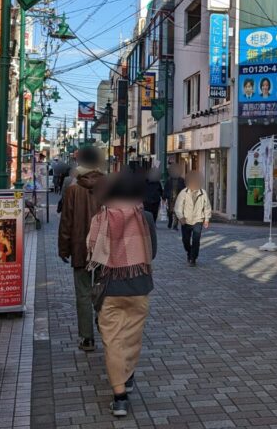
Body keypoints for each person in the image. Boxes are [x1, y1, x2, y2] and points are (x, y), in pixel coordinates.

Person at [86, 172, 157, 418]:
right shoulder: (145, 216)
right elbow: (153, 252)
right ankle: (127, 377)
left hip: (109, 289)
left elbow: (93, 251)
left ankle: (119, 398)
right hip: (139, 287)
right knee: (131, 338)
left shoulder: (101, 218)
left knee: (113, 341)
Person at [57, 147, 106, 352]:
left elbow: (66, 221)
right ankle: (104, 323)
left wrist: (63, 248)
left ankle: (86, 338)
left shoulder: (73, 189)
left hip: (80, 248)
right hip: (106, 248)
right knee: (105, 290)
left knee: (83, 293)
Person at [174, 171, 211, 267]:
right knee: (185, 240)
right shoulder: (184, 193)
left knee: (196, 240)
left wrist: (206, 219)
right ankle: (189, 252)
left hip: (198, 220)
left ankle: (193, 258)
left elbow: (207, 207)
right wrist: (181, 217)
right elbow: (178, 207)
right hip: (186, 220)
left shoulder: (203, 193)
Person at [164, 165, 186, 229]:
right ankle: (170, 221)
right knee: (170, 211)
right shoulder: (169, 180)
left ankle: (175, 225)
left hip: (178, 198)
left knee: (177, 211)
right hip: (170, 198)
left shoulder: (181, 180)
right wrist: (164, 197)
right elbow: (166, 189)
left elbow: (184, 188)